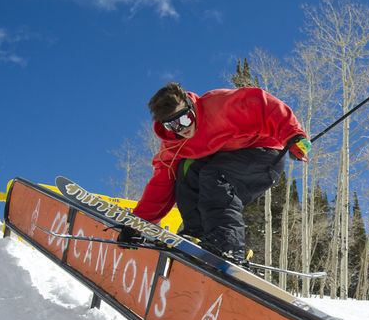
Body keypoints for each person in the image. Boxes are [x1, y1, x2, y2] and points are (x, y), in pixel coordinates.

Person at [122, 82, 311, 262]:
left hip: (265, 154)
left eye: (185, 118)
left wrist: (293, 134)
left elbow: (263, 104)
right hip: (228, 158)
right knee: (186, 170)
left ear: (191, 106)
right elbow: (160, 186)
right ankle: (197, 234)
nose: (183, 129)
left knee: (214, 176)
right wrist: (137, 224)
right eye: (173, 126)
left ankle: (228, 244)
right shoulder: (173, 145)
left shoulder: (219, 105)